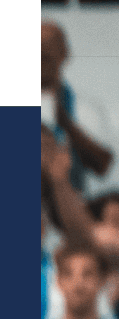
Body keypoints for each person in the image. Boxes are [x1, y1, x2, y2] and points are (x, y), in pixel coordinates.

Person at [43, 20, 118, 195]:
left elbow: (104, 167)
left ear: (64, 54)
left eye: (46, 55)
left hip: (72, 205)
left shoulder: (85, 110)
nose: (41, 60)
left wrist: (67, 125)